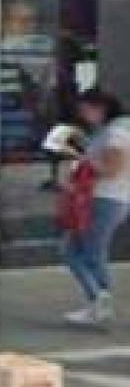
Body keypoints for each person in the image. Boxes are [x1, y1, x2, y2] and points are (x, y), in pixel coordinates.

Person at [62, 88, 130, 326]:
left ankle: (100, 298)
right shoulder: (116, 130)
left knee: (81, 251)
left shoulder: (116, 133)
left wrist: (83, 159)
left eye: (85, 110)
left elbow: (112, 168)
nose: (83, 115)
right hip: (112, 198)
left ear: (99, 108)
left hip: (105, 198)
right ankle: (99, 299)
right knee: (85, 249)